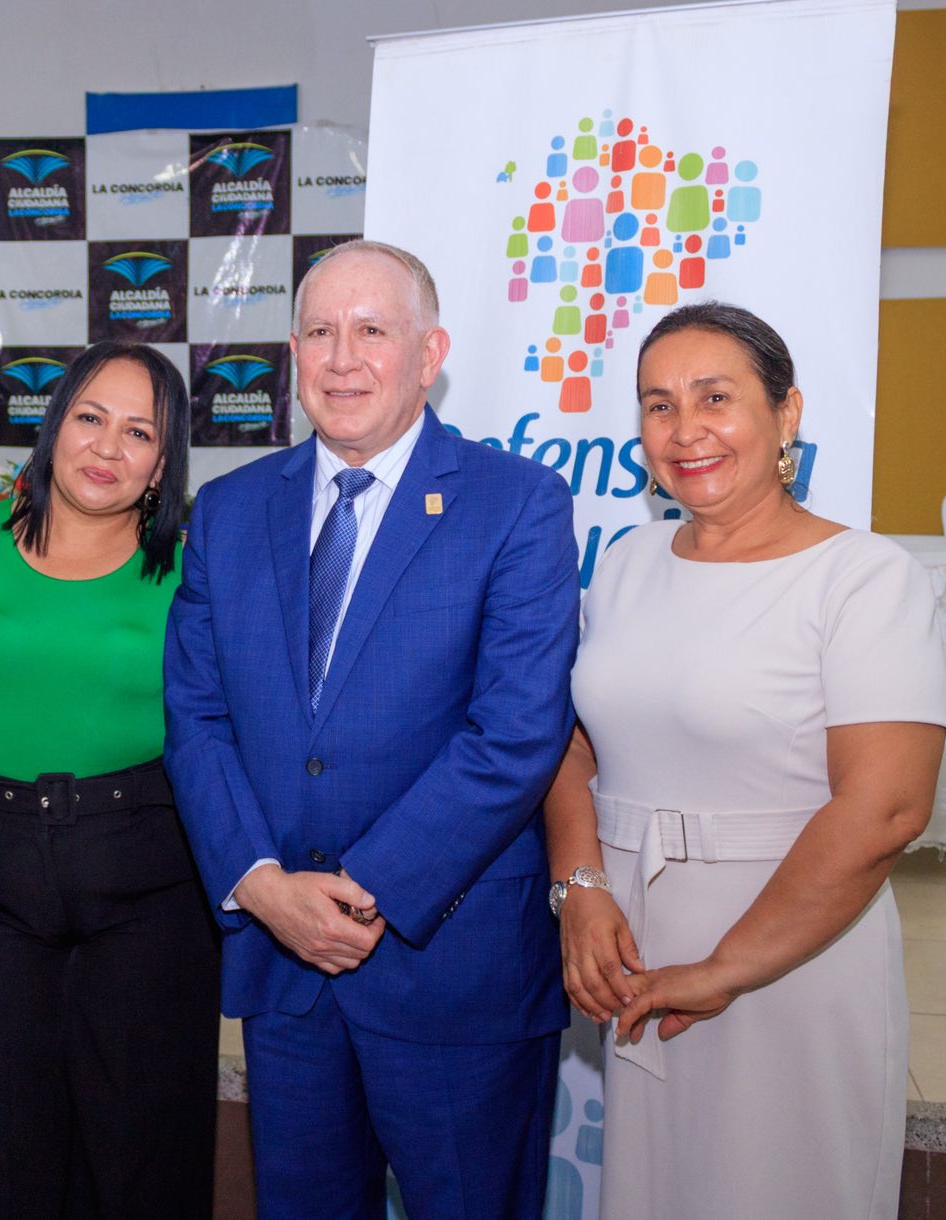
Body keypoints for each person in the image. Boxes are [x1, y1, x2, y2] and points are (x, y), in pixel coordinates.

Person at [164, 240, 580, 1218]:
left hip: (453, 968)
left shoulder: (515, 503)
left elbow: (516, 733)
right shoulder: (226, 512)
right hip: (285, 966)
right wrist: (263, 887)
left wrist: (364, 892)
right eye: (319, 331)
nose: (341, 358)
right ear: (292, 353)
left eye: (371, 331)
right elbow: (196, 716)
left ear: (429, 353)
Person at [544, 302, 946, 1219]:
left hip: (794, 953)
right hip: (637, 944)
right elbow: (572, 741)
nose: (685, 430)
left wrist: (726, 967)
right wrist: (582, 887)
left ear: (786, 412)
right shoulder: (629, 562)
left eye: (715, 397)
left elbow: (887, 808)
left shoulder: (864, 577)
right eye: (658, 405)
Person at [0, 341, 219, 1218]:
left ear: (163, 463)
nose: (108, 447)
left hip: (151, 876)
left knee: (147, 1150)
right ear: (53, 426)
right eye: (90, 418)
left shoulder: (193, 570)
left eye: (139, 432)